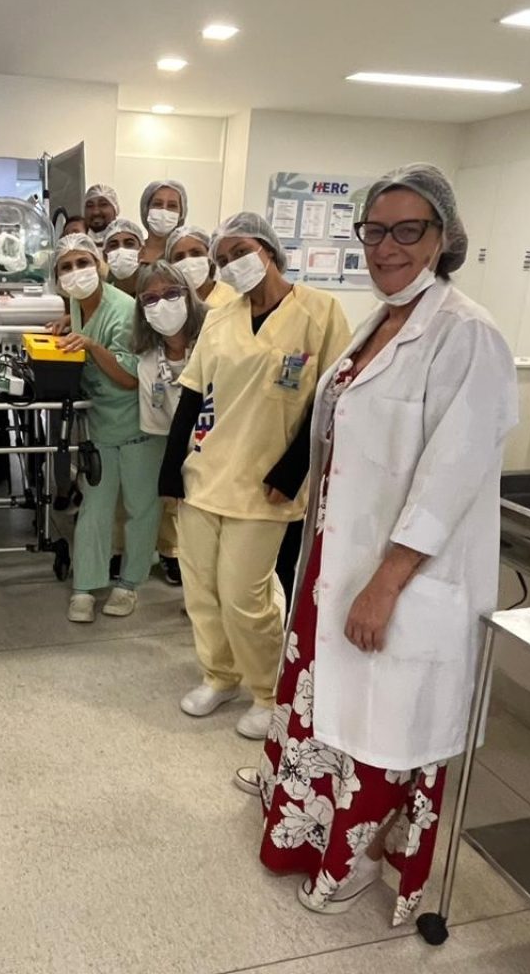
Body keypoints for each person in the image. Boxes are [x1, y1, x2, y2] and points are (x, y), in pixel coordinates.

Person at [236, 164, 518, 923]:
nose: (386, 246)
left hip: (401, 574)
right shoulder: (380, 321)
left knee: (383, 725)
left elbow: (450, 477)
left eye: (408, 230)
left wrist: (387, 582)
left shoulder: (466, 334)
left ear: (444, 236)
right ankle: (302, 825)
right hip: (337, 558)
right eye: (374, 231)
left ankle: (355, 861)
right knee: (325, 702)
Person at [159, 212, 350, 738]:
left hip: (267, 483)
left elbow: (333, 396)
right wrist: (171, 470)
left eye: (239, 252)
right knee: (202, 590)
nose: (231, 265)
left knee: (245, 595)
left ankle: (268, 690)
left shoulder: (320, 311)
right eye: (222, 260)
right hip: (205, 474)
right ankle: (219, 675)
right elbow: (192, 394)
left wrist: (293, 469)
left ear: (269, 249)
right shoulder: (221, 316)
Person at [50, 234, 162, 623]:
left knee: (140, 509)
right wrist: (70, 325)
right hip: (101, 423)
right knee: (94, 507)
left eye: (83, 262)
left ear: (100, 265)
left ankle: (129, 584)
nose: (75, 272)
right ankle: (85, 586)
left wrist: (91, 346)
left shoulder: (124, 310)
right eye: (66, 267)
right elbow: (86, 328)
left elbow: (129, 379)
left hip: (137, 426)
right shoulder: (78, 304)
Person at [133, 261, 208, 586]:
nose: (161, 304)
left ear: (188, 295)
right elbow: (158, 424)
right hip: (177, 449)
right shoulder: (148, 360)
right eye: (150, 299)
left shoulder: (214, 341)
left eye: (171, 294)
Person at [165, 225, 236, 308]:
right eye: (179, 257)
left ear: (210, 257)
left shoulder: (233, 298)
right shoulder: (168, 306)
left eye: (196, 253)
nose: (188, 261)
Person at [139, 181, 187, 263]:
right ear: (146, 210)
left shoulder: (183, 256)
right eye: (157, 204)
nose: (164, 210)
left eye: (172, 205)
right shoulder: (133, 252)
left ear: (181, 214)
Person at [102, 218, 146, 297]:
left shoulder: (153, 290)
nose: (121, 250)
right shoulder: (103, 297)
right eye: (113, 245)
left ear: (142, 252)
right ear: (105, 256)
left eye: (129, 244)